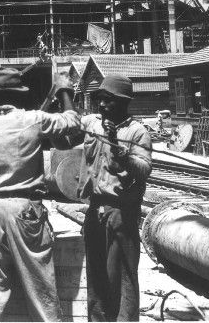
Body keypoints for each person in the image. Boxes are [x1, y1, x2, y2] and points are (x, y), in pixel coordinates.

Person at [0, 66, 80, 321]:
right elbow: (73, 122)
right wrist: (64, 89)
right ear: (20, 95)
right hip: (24, 210)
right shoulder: (34, 120)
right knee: (40, 288)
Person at [68, 75, 152, 321]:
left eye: (109, 100)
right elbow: (66, 132)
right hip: (94, 210)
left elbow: (144, 169)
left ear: (124, 102)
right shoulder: (92, 124)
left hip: (120, 213)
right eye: (100, 100)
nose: (102, 105)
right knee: (96, 277)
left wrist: (118, 149)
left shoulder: (137, 132)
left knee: (122, 277)